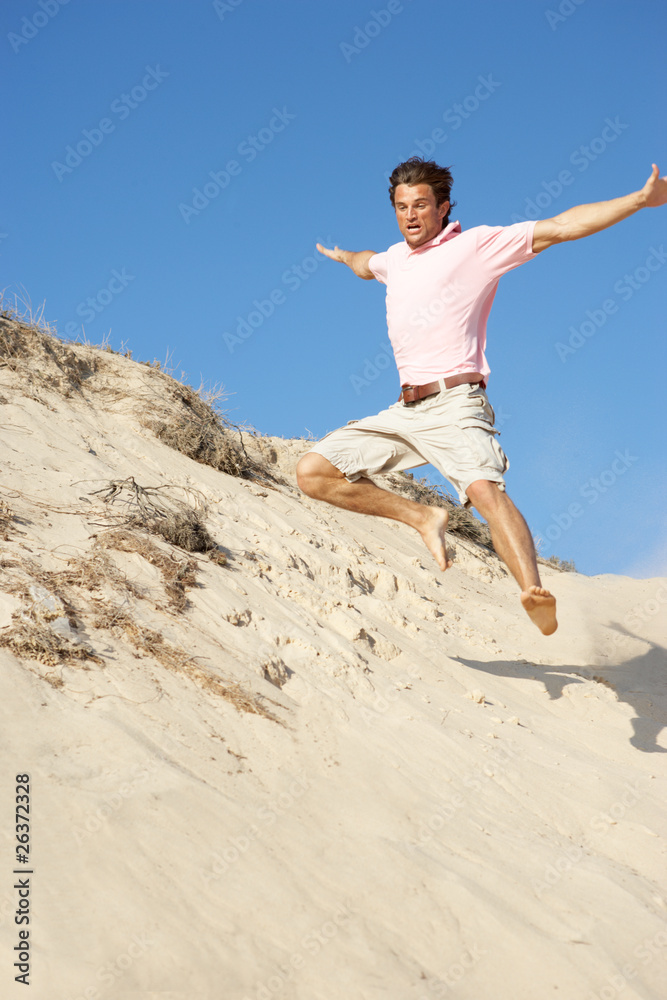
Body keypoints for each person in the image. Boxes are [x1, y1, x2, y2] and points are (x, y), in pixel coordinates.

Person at [296, 158, 666, 635]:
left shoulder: (475, 246)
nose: (411, 215)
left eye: (421, 205)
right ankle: (423, 517)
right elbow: (366, 264)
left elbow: (561, 227)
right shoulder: (394, 260)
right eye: (402, 207)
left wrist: (638, 200)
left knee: (483, 491)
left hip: (455, 402)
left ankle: (533, 588)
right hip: (406, 410)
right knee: (312, 473)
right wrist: (344, 255)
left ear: (443, 207)